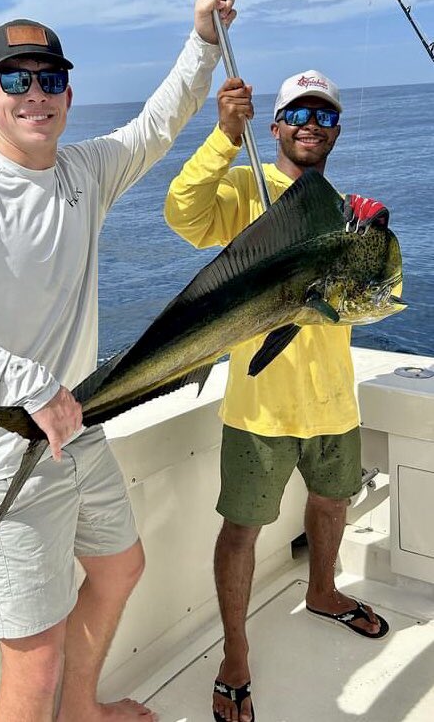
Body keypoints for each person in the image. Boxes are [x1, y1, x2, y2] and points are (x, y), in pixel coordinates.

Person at [0, 0, 236, 722]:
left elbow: (156, 125)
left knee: (120, 567)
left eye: (51, 79)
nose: (36, 93)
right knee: (33, 658)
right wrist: (27, 383)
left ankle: (84, 712)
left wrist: (204, 41)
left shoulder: (85, 172)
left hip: (76, 429)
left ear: (69, 94)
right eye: (16, 80)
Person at [164, 71, 391, 722]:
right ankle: (235, 656)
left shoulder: (348, 212)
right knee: (242, 529)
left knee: (332, 502)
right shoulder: (248, 190)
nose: (310, 125)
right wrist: (223, 138)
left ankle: (324, 592)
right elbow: (183, 212)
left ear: (336, 132)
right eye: (298, 113)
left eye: (323, 117)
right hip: (260, 406)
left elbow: (366, 297)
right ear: (277, 125)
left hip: (334, 404)